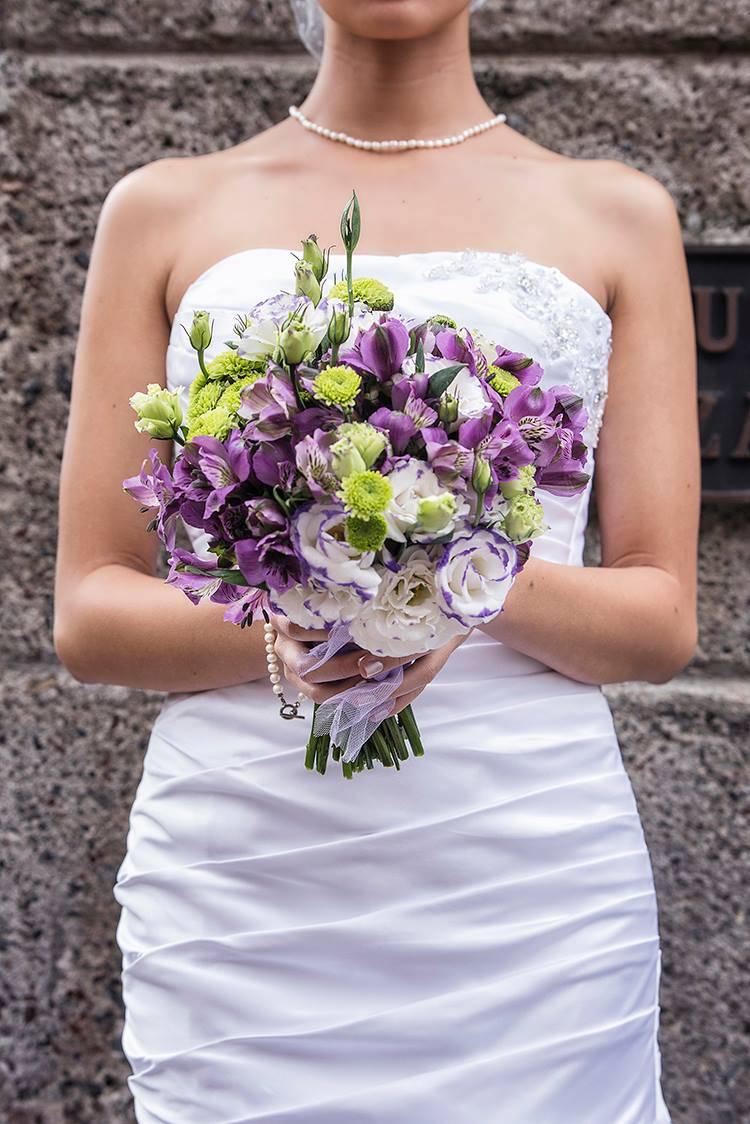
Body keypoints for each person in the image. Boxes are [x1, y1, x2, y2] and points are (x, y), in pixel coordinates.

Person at [53, 1, 699, 1119]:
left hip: (527, 876)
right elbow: (91, 611)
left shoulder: (620, 216)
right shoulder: (161, 211)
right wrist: (299, 612)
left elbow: (660, 616)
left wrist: (449, 575)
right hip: (246, 882)